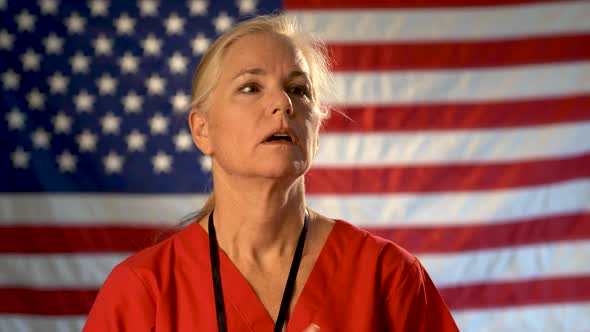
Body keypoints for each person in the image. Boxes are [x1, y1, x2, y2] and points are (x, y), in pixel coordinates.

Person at [83, 14, 459, 332]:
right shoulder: (142, 290)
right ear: (202, 130)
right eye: (250, 87)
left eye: (298, 89)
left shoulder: (387, 276)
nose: (282, 103)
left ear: (317, 123)